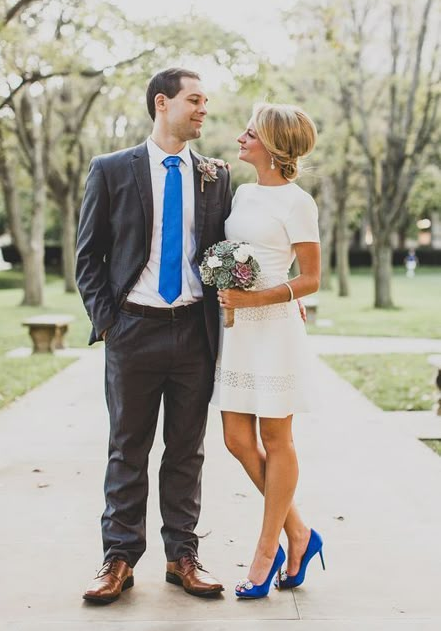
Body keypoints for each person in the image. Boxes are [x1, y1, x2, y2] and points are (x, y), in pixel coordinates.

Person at [76, 68, 231, 604]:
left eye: (206, 101)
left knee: (187, 450)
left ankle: (181, 556)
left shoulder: (216, 175)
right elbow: (87, 258)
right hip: (132, 331)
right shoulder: (112, 170)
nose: (203, 109)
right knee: (127, 450)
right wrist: (109, 324)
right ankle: (118, 558)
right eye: (194, 99)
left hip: (194, 331)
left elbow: (221, 252)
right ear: (162, 103)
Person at [210, 102, 325, 599]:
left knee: (277, 439)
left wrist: (256, 297)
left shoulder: (299, 203)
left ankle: (266, 548)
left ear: (273, 146)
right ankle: (299, 531)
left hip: (274, 328)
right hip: (237, 330)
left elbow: (311, 279)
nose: (240, 137)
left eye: (250, 132)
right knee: (236, 438)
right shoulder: (241, 193)